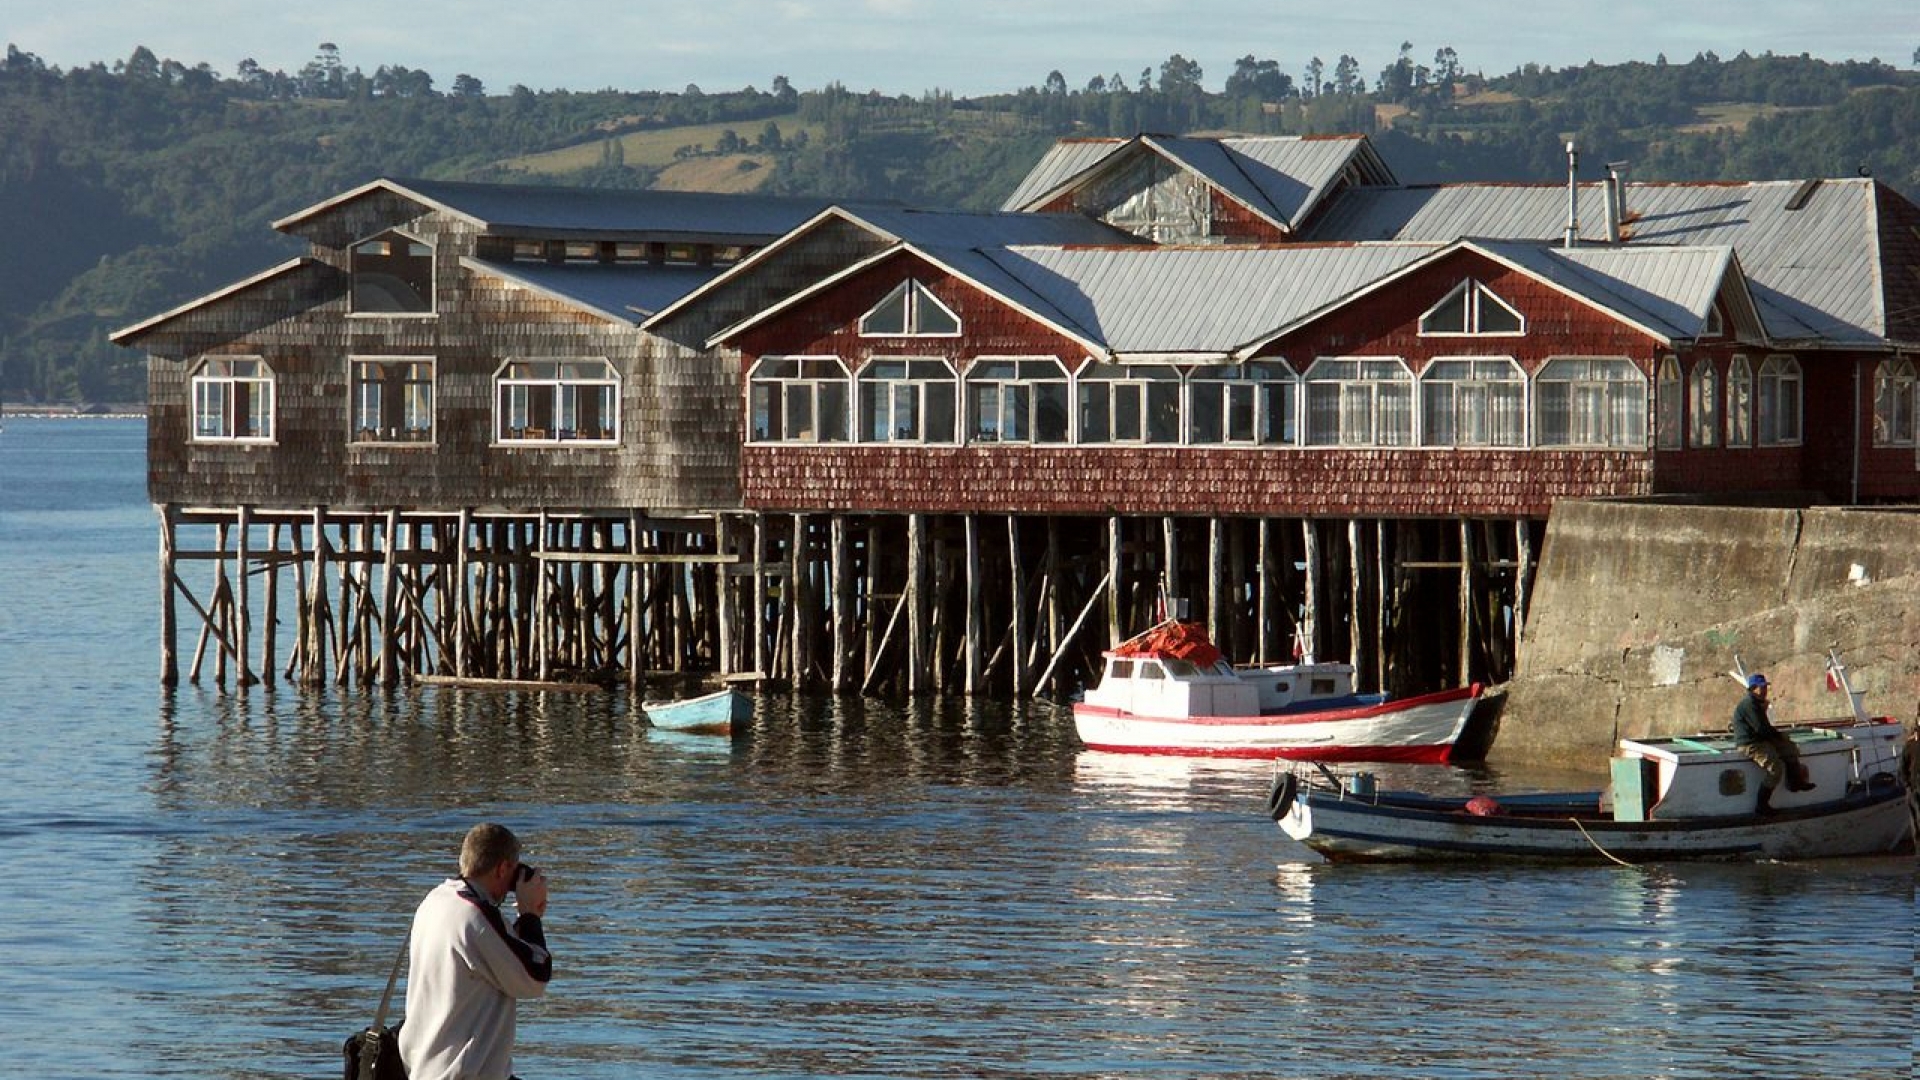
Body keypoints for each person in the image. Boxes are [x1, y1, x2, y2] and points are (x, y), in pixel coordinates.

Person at [399, 823, 553, 1080]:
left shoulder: (435, 900)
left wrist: (525, 918)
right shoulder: (476, 915)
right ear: (502, 868)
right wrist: (529, 916)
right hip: (463, 1073)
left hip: (425, 1068)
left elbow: (498, 955)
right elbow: (534, 977)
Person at [1731, 673, 1814, 813]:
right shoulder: (1749, 704)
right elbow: (1761, 728)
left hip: (1759, 739)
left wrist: (1780, 738)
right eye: (1761, 688)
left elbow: (1765, 728)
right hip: (1750, 743)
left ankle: (1795, 782)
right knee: (1775, 768)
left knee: (1790, 748)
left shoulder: (1756, 703)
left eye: (1765, 687)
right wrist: (1778, 736)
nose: (1765, 690)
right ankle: (1762, 805)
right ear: (1753, 688)